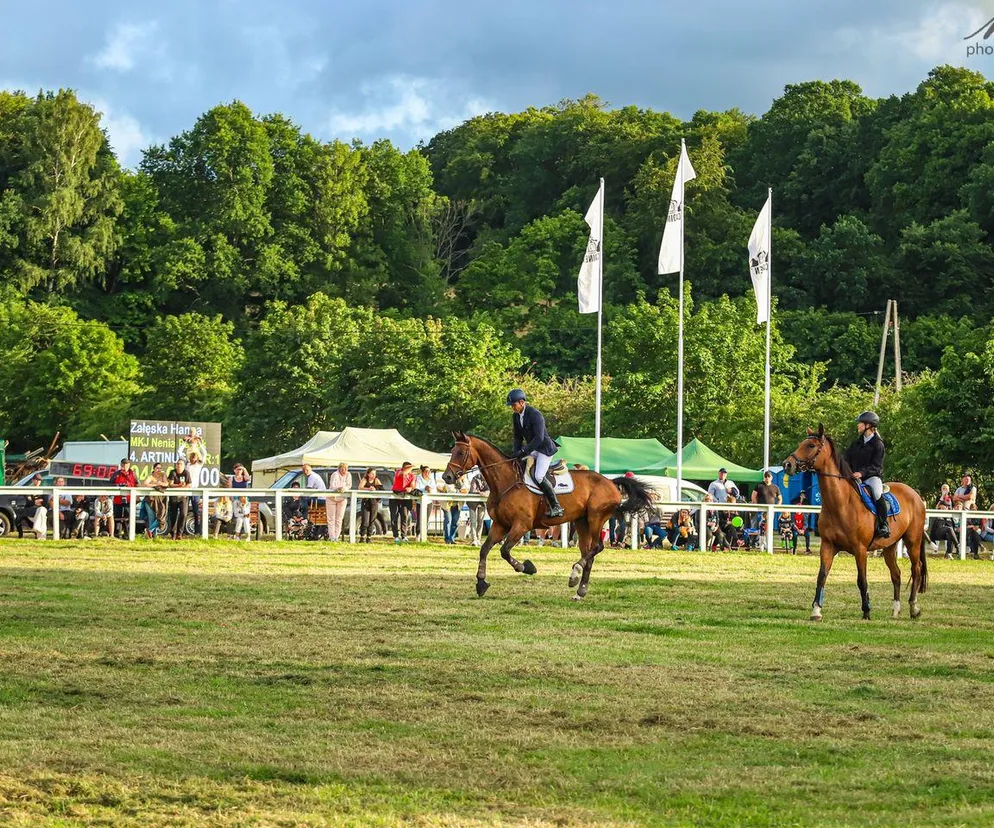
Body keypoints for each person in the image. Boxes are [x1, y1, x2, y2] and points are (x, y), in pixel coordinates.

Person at [506, 388, 563, 518]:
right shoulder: (516, 416)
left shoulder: (535, 414)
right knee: (518, 467)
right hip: (533, 448)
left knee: (538, 476)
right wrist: (515, 453)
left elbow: (539, 438)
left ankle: (556, 506)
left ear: (522, 402)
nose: (512, 408)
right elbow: (517, 437)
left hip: (544, 449)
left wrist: (523, 451)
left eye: (514, 405)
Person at [843, 410, 889, 538]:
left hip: (871, 477)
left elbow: (877, 466)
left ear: (868, 426)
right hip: (854, 477)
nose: (858, 425)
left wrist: (861, 473)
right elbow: (846, 459)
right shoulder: (856, 443)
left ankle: (883, 524)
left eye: (860, 423)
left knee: (877, 493)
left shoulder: (878, 444)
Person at [390, 461, 417, 542]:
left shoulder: (412, 475)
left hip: (405, 498)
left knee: (404, 517)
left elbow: (413, 486)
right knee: (394, 517)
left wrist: (410, 488)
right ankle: (395, 536)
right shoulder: (398, 472)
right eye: (408, 467)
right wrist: (411, 466)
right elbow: (403, 473)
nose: (410, 469)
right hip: (395, 497)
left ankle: (404, 536)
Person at [167, 459, 192, 540]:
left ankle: (179, 533)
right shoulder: (172, 472)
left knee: (183, 514)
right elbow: (170, 484)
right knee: (173, 515)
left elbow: (189, 484)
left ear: (184, 465)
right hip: (174, 497)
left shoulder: (186, 473)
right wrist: (179, 485)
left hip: (183, 497)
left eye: (180, 464)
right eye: (177, 464)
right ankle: (173, 533)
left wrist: (183, 486)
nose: (178, 465)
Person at [325, 462, 351, 542]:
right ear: (339, 468)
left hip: (342, 499)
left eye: (346, 469)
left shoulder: (348, 475)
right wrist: (338, 488)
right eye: (343, 469)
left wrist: (344, 488)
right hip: (331, 498)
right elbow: (332, 485)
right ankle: (332, 537)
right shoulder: (335, 474)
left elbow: (349, 485)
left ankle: (336, 536)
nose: (345, 470)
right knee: (331, 518)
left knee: (339, 519)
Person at [142, 462, 169, 538]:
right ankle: (153, 536)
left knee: (161, 517)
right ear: (154, 469)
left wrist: (160, 482)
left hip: (161, 500)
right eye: (157, 468)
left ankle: (149, 531)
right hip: (150, 500)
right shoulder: (150, 476)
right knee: (152, 518)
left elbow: (166, 484)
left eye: (160, 468)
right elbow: (145, 484)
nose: (159, 470)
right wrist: (156, 484)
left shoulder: (163, 475)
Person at [358, 468, 383, 543]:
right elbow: (360, 488)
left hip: (374, 502)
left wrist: (375, 489)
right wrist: (368, 489)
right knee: (365, 520)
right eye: (372, 473)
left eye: (374, 474)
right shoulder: (365, 479)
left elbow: (381, 489)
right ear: (368, 474)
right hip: (366, 502)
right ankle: (362, 537)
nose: (373, 475)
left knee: (372, 520)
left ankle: (369, 537)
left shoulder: (377, 480)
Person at [467, 472, 489, 545]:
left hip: (482, 503)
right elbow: (473, 490)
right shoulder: (475, 478)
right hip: (472, 503)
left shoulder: (489, 478)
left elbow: (489, 490)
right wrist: (482, 493)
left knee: (480, 522)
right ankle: (474, 540)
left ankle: (478, 539)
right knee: (473, 522)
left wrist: (485, 493)